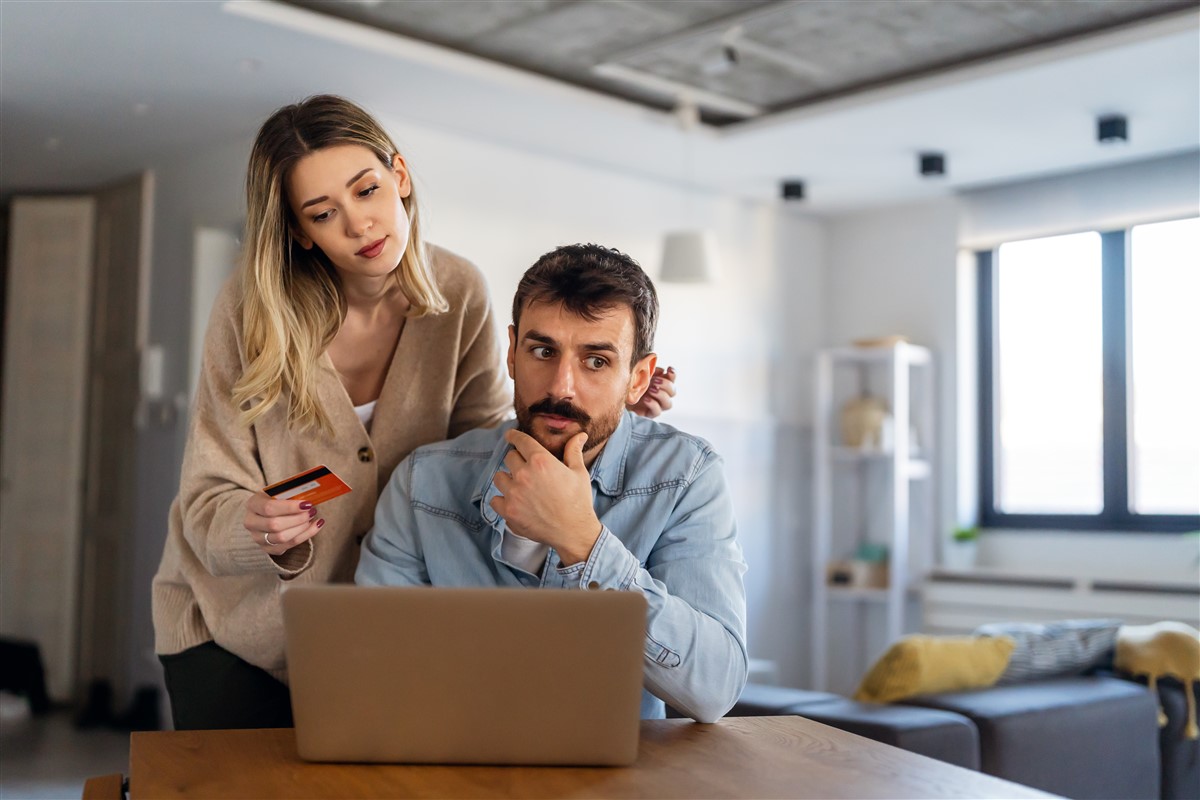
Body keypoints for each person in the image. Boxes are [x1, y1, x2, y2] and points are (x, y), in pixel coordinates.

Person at [151, 96, 676, 731]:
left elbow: (486, 457)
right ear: (299, 230)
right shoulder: (251, 310)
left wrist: (605, 405)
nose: (360, 225)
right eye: (324, 213)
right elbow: (206, 498)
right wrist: (252, 524)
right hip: (232, 630)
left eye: (367, 190)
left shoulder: (459, 295)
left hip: (384, 637)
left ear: (399, 176)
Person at [356, 244, 747, 723]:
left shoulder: (686, 476)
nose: (561, 386)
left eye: (596, 361)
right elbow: (376, 672)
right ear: (512, 355)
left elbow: (714, 690)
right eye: (543, 351)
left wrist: (582, 542)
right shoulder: (423, 482)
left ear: (638, 378)